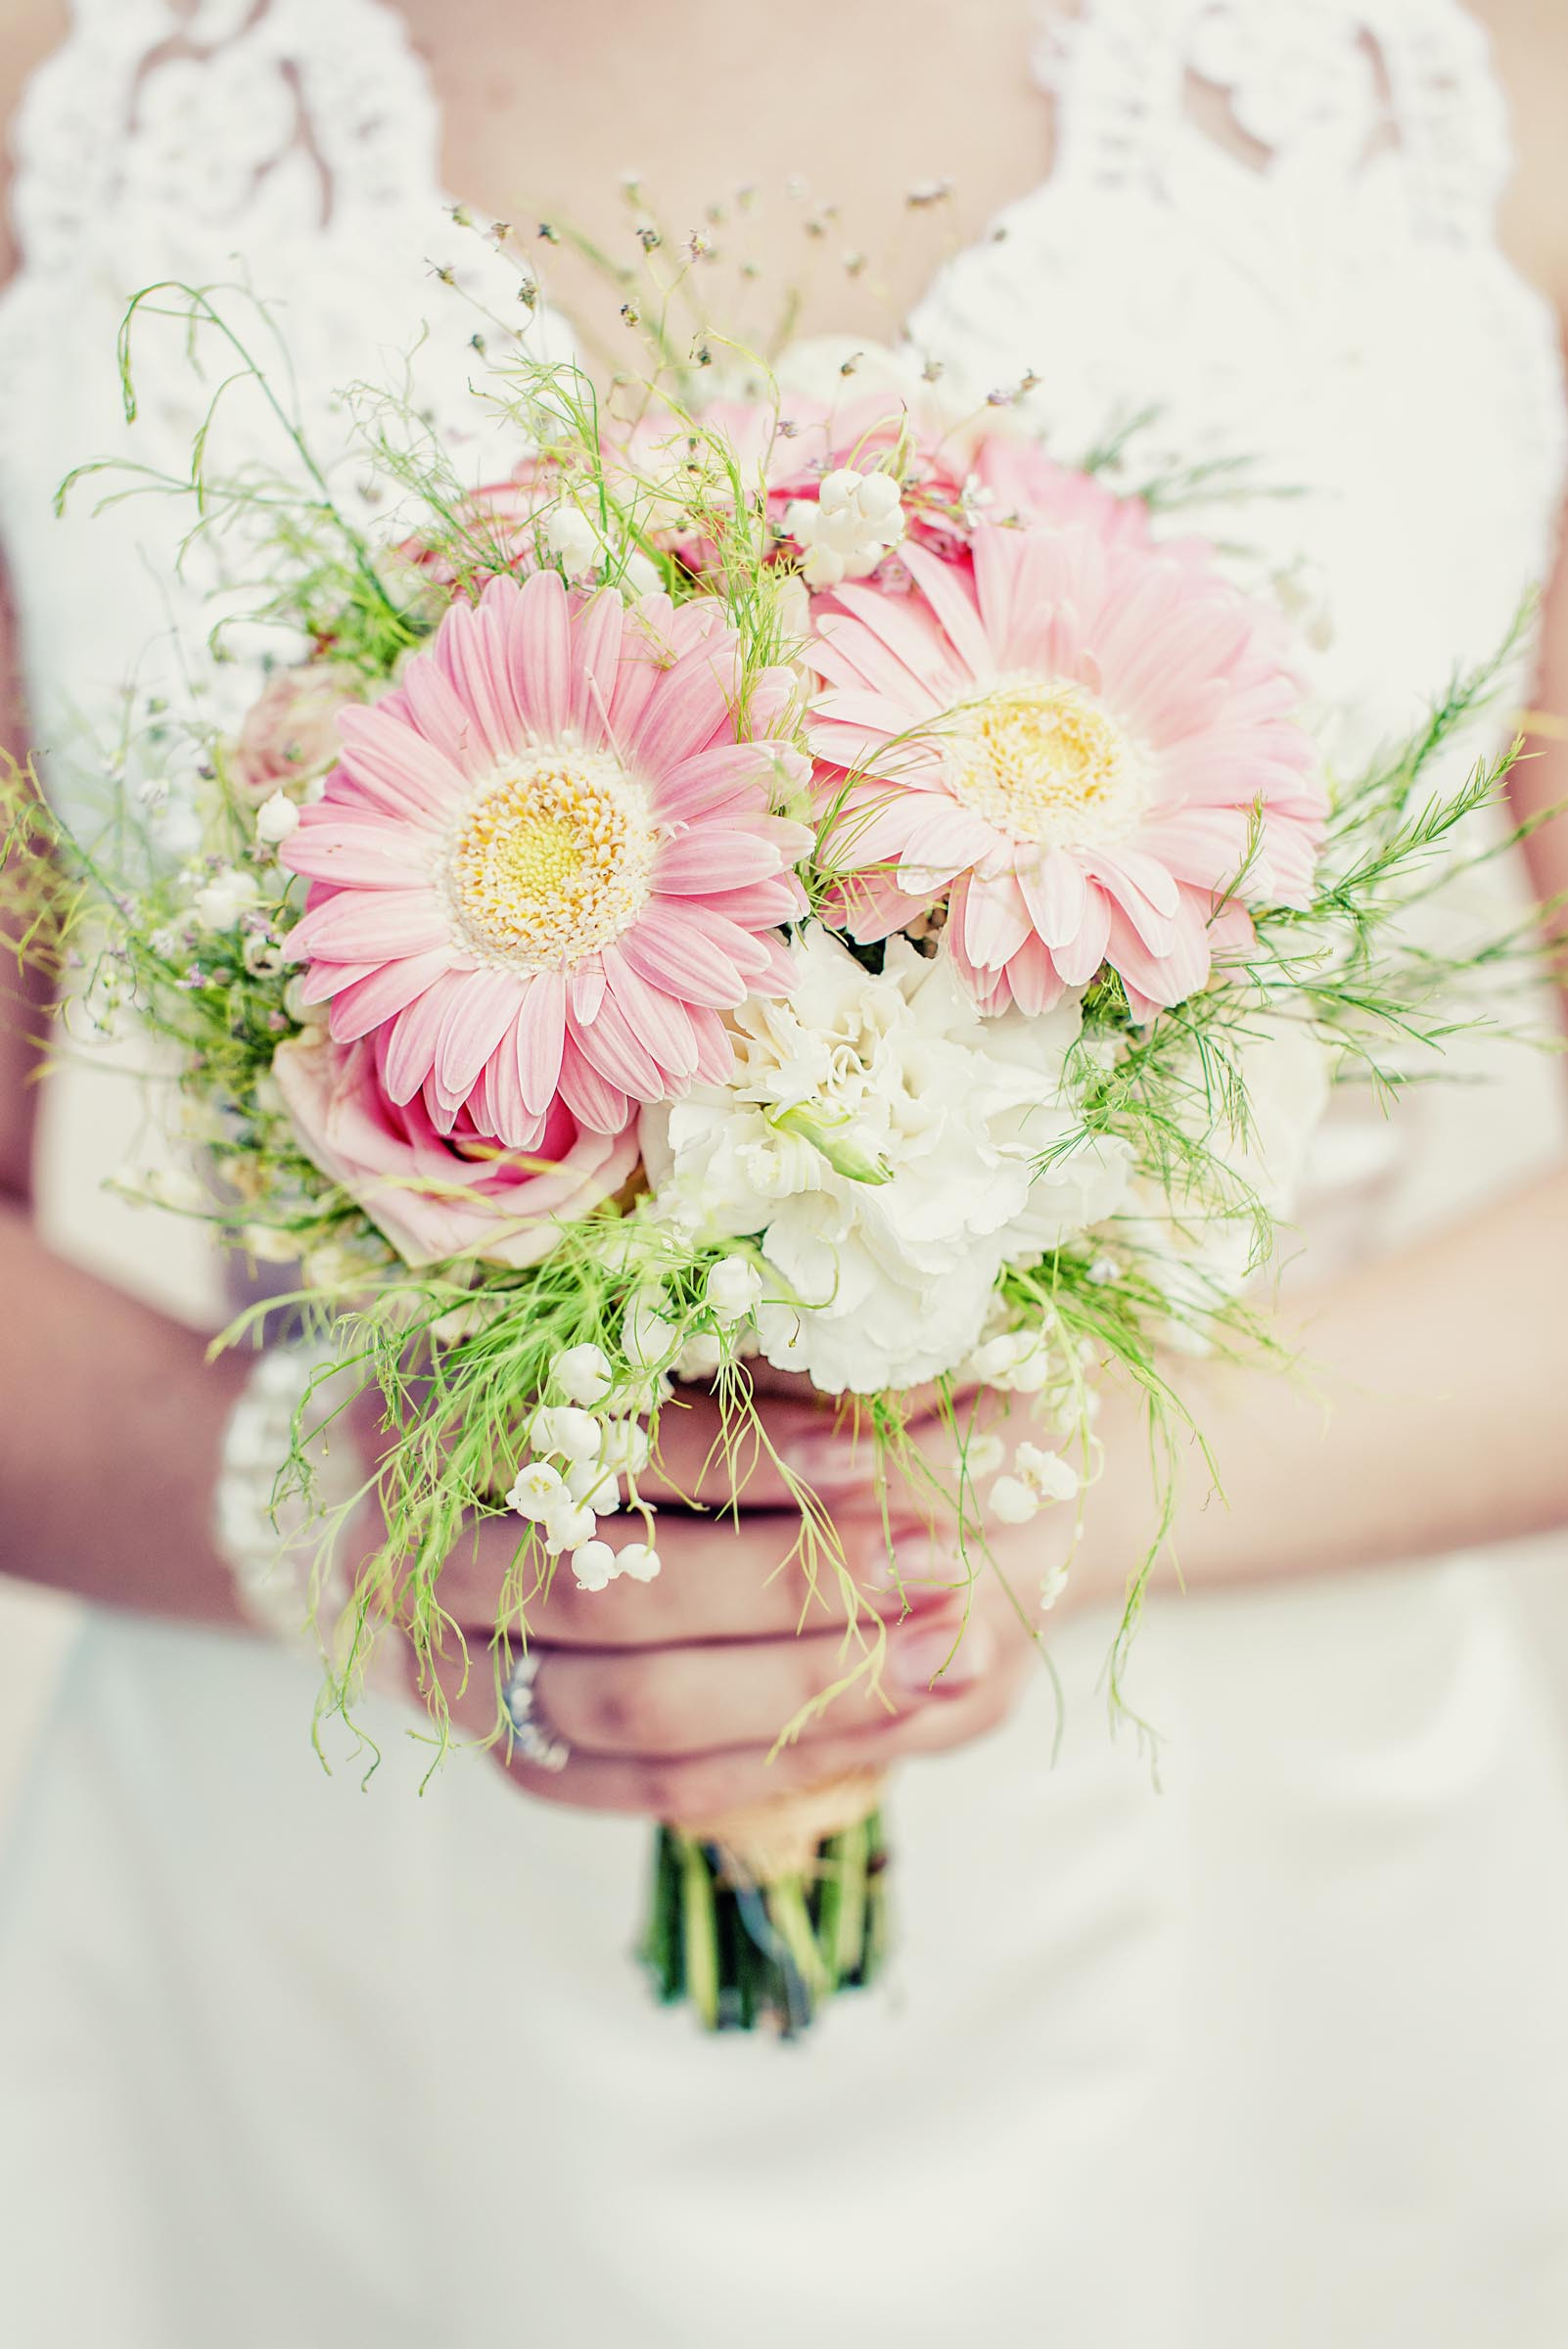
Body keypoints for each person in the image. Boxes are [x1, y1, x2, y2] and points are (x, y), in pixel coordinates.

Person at [0, 2, 1566, 2341]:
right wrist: (346, 1528)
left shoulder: (1480, 73)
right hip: (340, 1929)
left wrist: (1037, 1500)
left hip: (1244, 1894)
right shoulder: (65, 80)